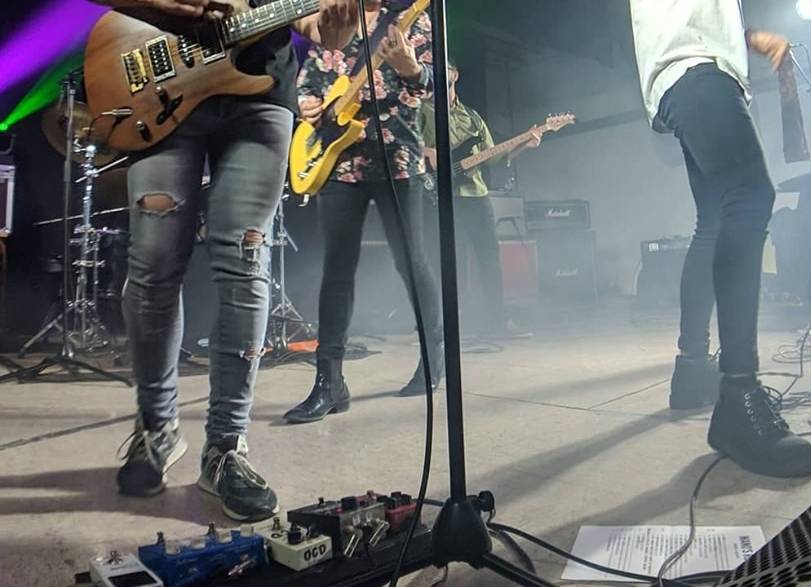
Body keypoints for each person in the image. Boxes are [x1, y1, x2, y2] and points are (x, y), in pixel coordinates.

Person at [89, 0, 375, 522]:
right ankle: (156, 429)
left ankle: (226, 447)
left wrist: (334, 24)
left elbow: (316, 26)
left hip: (260, 93)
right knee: (152, 267)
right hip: (161, 78)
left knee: (245, 257)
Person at [630, 0, 811, 477]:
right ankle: (738, 392)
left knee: (714, 219)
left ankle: (692, 370)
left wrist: (749, 36)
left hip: (686, 69)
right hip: (695, 69)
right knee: (751, 196)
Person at [283, 1, 441, 425]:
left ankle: (433, 359)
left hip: (397, 157)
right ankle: (329, 381)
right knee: (336, 269)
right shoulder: (332, 17)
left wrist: (409, 68)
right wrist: (308, 105)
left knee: (411, 261)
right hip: (339, 159)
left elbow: (427, 87)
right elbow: (307, 82)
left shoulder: (414, 18)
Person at [419, 61, 539, 339]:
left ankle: (498, 323)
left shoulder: (472, 117)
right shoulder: (422, 109)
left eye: (445, 67)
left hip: (476, 194)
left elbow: (494, 155)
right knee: (446, 262)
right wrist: (428, 151)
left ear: (455, 74)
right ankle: (442, 327)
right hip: (440, 196)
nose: (438, 71)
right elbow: (402, 143)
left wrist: (523, 144)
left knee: (489, 259)